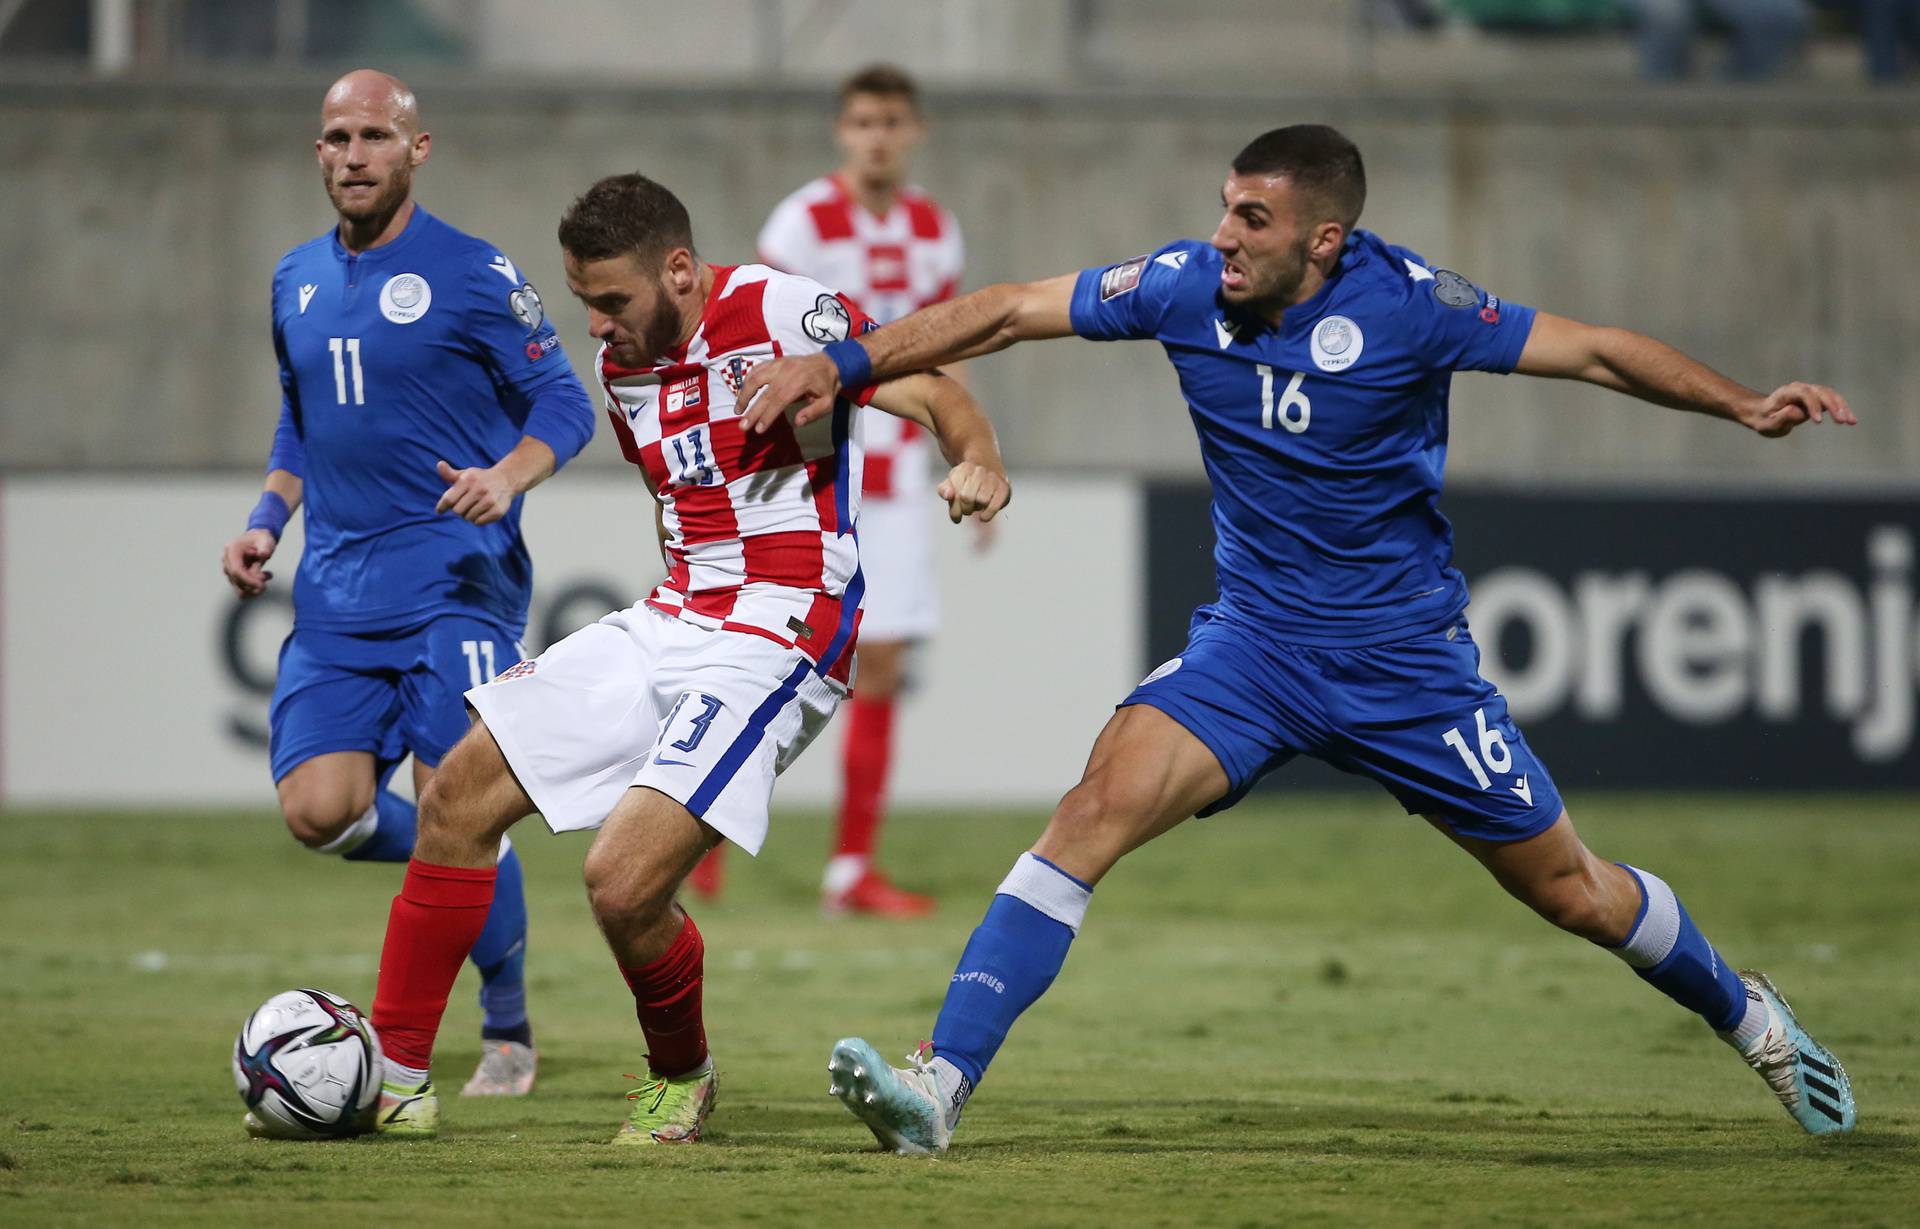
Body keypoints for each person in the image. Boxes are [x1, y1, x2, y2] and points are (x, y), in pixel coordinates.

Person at [738, 124, 1860, 1153]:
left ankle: (1747, 1012)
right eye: (1225, 208)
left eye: (1253, 220)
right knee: (1088, 815)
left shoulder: (1413, 304)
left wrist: (1744, 403)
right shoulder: (1180, 286)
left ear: (1326, 238)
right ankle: (938, 1086)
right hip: (1254, 652)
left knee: (1572, 890)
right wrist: (842, 365)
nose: (1223, 235)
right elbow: (1008, 309)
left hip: (1406, 667)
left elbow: (1600, 353)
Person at [362, 172, 1010, 1144]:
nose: (595, 326)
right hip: (674, 612)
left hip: (786, 624)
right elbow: (687, 507)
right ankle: (393, 1077)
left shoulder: (784, 307)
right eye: (583, 302)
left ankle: (681, 1074)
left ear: (678, 270)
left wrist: (978, 458)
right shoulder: (624, 367)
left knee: (621, 884)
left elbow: (930, 383)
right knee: (456, 792)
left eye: (612, 302)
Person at [219, 69, 596, 1117]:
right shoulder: (294, 276)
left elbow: (565, 402)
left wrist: (506, 476)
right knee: (319, 811)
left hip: (455, 588)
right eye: (336, 136)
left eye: (375, 136)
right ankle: (473, 861)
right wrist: (266, 516)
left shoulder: (474, 271)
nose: (353, 154)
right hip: (336, 595)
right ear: (319, 150)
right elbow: (302, 418)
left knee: (453, 804)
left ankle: (507, 1023)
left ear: (416, 151)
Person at [685, 64, 970, 916]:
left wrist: (967, 452)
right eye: (862, 121)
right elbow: (755, 337)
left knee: (881, 665)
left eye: (891, 121)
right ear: (843, 131)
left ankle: (850, 871)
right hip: (812, 467)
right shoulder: (801, 223)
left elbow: (944, 346)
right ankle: (691, 840)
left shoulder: (936, 229)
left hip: (902, 475)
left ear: (913, 130)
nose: (877, 136)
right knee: (760, 655)